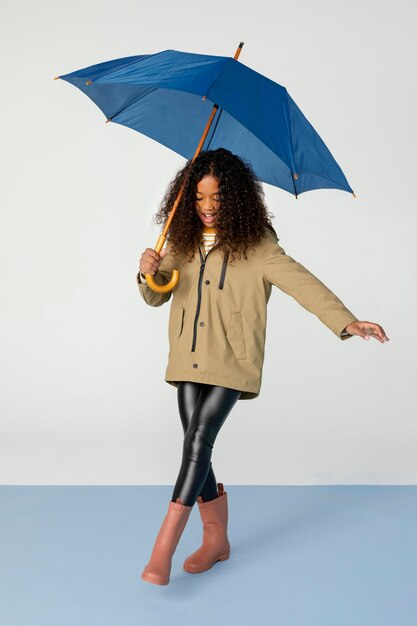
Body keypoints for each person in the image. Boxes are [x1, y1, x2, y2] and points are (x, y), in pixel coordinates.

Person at [136, 148, 389, 586]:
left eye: (216, 197)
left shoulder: (258, 244)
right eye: (198, 197)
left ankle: (164, 547)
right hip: (186, 357)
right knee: (198, 450)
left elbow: (302, 282)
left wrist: (346, 321)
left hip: (233, 359)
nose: (207, 207)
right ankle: (216, 539)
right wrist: (146, 273)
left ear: (234, 198)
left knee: (197, 442)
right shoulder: (179, 238)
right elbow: (157, 295)